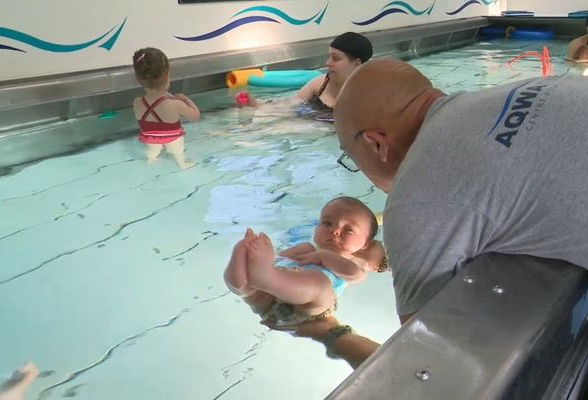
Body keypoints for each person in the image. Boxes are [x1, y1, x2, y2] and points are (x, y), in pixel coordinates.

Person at [307, 58, 588, 367]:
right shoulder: (526, 87)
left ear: (376, 144)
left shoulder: (415, 200)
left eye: (352, 157)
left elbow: (431, 364)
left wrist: (328, 332)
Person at [224, 196, 387, 325]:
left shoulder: (353, 260)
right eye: (327, 223)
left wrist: (323, 257)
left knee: (322, 286)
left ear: (365, 244)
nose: (335, 231)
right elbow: (278, 260)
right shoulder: (306, 248)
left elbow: (356, 275)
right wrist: (260, 259)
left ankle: (262, 279)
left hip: (308, 310)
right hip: (271, 298)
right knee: (254, 281)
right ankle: (243, 282)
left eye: (349, 229)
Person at [238, 32, 373, 121]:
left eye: (335, 58)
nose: (327, 63)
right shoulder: (320, 84)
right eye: (329, 56)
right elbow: (289, 105)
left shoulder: (371, 96)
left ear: (356, 64)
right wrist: (255, 104)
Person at [132, 47, 201, 169]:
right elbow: (196, 116)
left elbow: (154, 105)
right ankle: (182, 163)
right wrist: (186, 99)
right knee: (178, 152)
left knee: (152, 151)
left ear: (138, 79)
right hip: (173, 139)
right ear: (167, 76)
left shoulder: (137, 102)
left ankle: (151, 159)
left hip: (150, 138)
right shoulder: (175, 104)